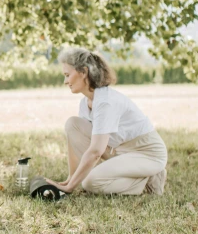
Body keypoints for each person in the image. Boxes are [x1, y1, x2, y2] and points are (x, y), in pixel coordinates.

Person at [46, 47, 167, 196]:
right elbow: (87, 143)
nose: (65, 81)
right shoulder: (86, 103)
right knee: (73, 124)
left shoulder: (105, 102)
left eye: (67, 75)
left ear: (83, 72)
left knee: (90, 182)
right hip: (120, 150)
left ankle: (147, 180)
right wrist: (70, 180)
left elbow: (96, 151)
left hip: (147, 154)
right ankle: (139, 174)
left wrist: (71, 187)